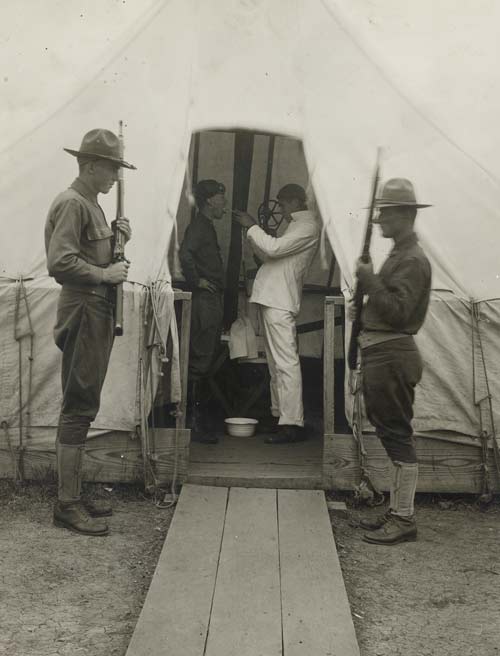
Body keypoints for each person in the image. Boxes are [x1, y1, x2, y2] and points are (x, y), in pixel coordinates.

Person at [45, 128, 135, 536]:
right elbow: (61, 262)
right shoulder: (72, 203)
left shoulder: (92, 205)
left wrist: (118, 241)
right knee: (79, 404)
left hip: (95, 309)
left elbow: (91, 253)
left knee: (85, 401)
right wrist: (104, 273)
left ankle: (74, 494)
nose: (116, 175)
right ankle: (66, 504)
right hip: (83, 308)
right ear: (92, 165)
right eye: (112, 167)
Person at [352, 178, 432, 545]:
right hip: (382, 353)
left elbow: (399, 312)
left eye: (385, 212)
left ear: (403, 214)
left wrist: (369, 282)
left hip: (391, 355)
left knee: (397, 436)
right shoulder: (401, 254)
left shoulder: (413, 260)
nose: (379, 220)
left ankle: (404, 518)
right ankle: (399, 511)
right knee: (390, 432)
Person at [233, 183, 320, 444]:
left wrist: (252, 226)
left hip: (280, 300)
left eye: (282, 204)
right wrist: (256, 234)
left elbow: (273, 250)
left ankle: (292, 423)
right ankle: (280, 416)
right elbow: (271, 255)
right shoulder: (293, 226)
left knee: (285, 363)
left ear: (295, 201)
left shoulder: (306, 226)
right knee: (276, 364)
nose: (279, 210)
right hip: (273, 298)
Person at [179, 180, 227, 444]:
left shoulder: (205, 226)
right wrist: (196, 281)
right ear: (210, 200)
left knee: (203, 358)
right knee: (199, 360)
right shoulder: (199, 226)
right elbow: (185, 253)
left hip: (210, 299)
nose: (225, 204)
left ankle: (192, 421)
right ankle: (190, 424)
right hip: (204, 300)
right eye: (222, 198)